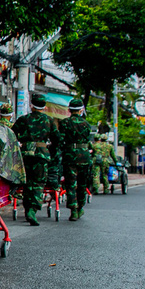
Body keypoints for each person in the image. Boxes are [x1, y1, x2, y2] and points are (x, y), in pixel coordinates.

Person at [12, 94, 58, 226]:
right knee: (38, 183)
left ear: (31, 105)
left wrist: (21, 144)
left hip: (25, 155)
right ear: (44, 107)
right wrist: (50, 152)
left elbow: (12, 134)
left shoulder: (23, 119)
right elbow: (57, 140)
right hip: (41, 155)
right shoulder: (49, 120)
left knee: (27, 183)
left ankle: (27, 209)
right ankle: (33, 210)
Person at [58, 97, 93, 221]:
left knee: (70, 183)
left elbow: (60, 140)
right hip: (84, 156)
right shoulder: (86, 124)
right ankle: (80, 207)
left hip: (69, 156)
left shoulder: (64, 123)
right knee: (83, 183)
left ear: (69, 110)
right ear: (81, 110)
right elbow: (89, 140)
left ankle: (73, 210)